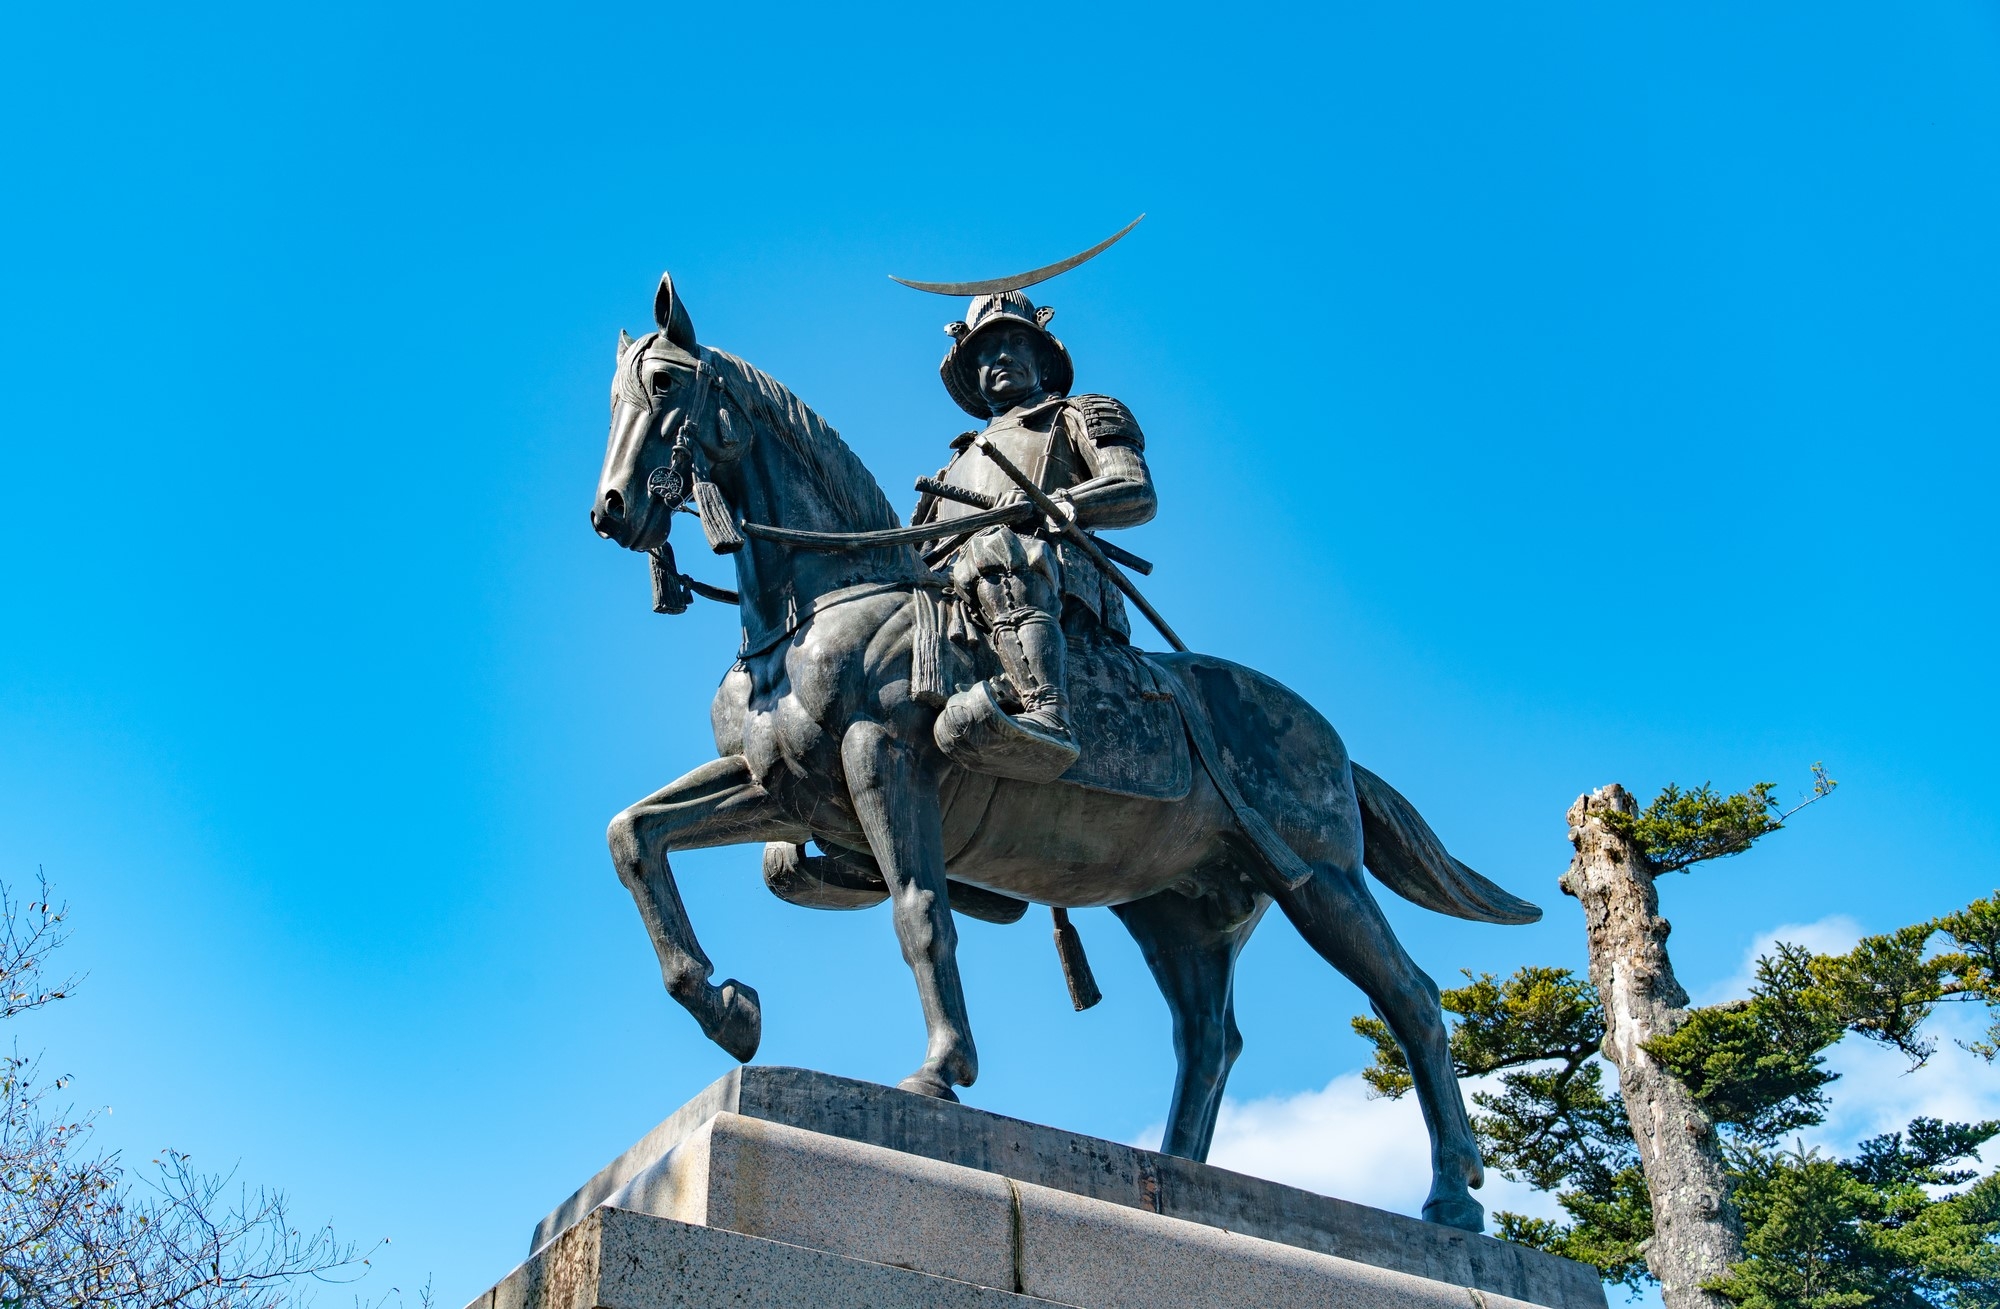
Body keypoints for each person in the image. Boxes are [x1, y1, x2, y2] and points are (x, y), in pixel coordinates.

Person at [913, 290, 1156, 781]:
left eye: (1016, 343)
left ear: (1041, 359)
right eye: (985, 349)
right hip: (958, 597)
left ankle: (1048, 710)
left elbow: (1135, 489)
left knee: (996, 551)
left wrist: (1057, 504)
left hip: (1058, 582)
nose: (1001, 355)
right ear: (973, 371)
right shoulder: (951, 467)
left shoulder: (1079, 414)